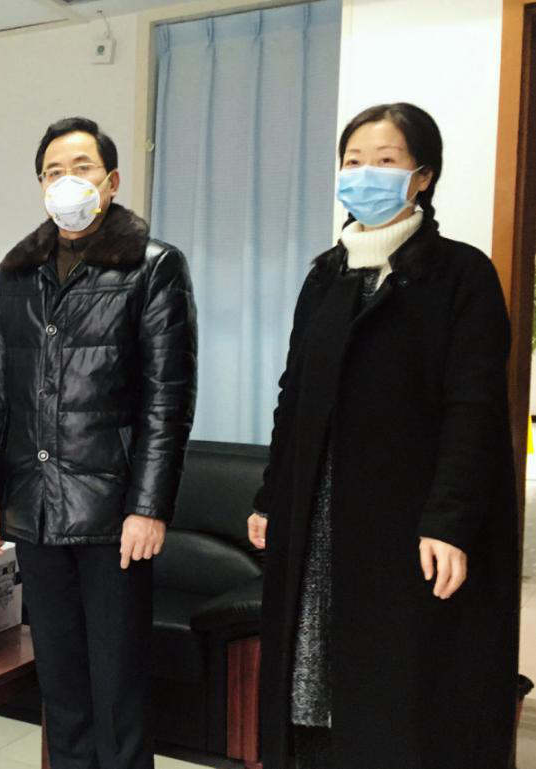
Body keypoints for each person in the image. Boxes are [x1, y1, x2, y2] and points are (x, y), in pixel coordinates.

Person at [247, 102, 519, 769]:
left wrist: (450, 520)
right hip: (316, 514)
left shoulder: (461, 274)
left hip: (406, 524)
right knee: (310, 688)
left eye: (385, 160)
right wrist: (269, 496)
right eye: (353, 160)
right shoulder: (325, 274)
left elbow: (474, 407)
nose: (364, 173)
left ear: (422, 176)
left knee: (400, 695)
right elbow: (293, 396)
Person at [0, 116, 198, 769]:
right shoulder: (16, 271)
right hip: (36, 507)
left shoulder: (153, 266)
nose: (66, 181)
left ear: (112, 180)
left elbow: (167, 399)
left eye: (81, 168)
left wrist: (148, 507)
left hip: (112, 513)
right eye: (53, 172)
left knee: (117, 684)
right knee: (61, 682)